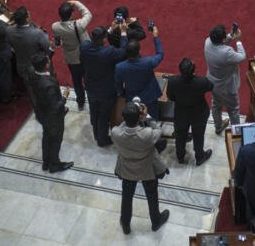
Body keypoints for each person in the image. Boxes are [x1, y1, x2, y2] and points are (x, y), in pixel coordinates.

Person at [112, 102, 170, 234]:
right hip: (147, 168)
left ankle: (126, 224)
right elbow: (158, 130)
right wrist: (146, 117)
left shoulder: (116, 133)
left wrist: (130, 118)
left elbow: (122, 126)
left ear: (123, 118)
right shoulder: (147, 133)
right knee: (151, 195)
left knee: (127, 196)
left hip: (126, 168)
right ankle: (156, 221)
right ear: (138, 117)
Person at [81, 25, 128, 147]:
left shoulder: (84, 46)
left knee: (94, 112)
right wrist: (123, 33)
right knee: (103, 117)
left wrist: (110, 29)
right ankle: (102, 140)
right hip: (106, 91)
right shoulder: (108, 52)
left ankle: (96, 135)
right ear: (104, 39)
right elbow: (123, 51)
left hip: (91, 87)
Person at [28, 53, 73, 173]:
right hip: (53, 118)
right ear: (46, 65)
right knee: (56, 140)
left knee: (46, 137)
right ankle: (54, 165)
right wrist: (64, 97)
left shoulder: (32, 74)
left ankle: (46, 162)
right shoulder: (49, 84)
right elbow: (55, 107)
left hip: (41, 113)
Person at [165, 57, 214, 166]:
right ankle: (199, 156)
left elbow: (170, 96)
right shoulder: (201, 81)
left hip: (181, 112)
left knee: (180, 134)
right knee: (198, 135)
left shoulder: (173, 81)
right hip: (199, 113)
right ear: (193, 71)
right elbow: (211, 86)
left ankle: (180, 156)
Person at [204, 24, 245, 135]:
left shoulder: (207, 41)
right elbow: (242, 56)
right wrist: (238, 41)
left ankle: (218, 126)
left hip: (213, 83)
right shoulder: (227, 52)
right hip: (227, 87)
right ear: (222, 39)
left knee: (216, 105)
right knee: (233, 110)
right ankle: (236, 133)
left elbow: (220, 43)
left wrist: (231, 35)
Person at [52, 0, 92, 111]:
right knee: (88, 79)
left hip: (71, 59)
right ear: (71, 14)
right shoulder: (79, 25)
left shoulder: (55, 26)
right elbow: (88, 14)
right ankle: (92, 99)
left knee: (77, 81)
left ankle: (80, 101)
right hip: (84, 56)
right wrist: (77, 2)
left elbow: (57, 42)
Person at [115, 27, 164, 119]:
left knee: (134, 121)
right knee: (153, 121)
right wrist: (155, 37)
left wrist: (123, 94)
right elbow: (160, 54)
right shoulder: (148, 62)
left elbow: (118, 85)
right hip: (150, 97)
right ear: (139, 51)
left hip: (132, 99)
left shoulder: (120, 67)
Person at [6, 6, 51, 85]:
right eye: (29, 14)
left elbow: (10, 45)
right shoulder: (37, 33)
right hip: (38, 66)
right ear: (27, 19)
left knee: (29, 87)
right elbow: (48, 48)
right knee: (44, 86)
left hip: (21, 66)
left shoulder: (8, 30)